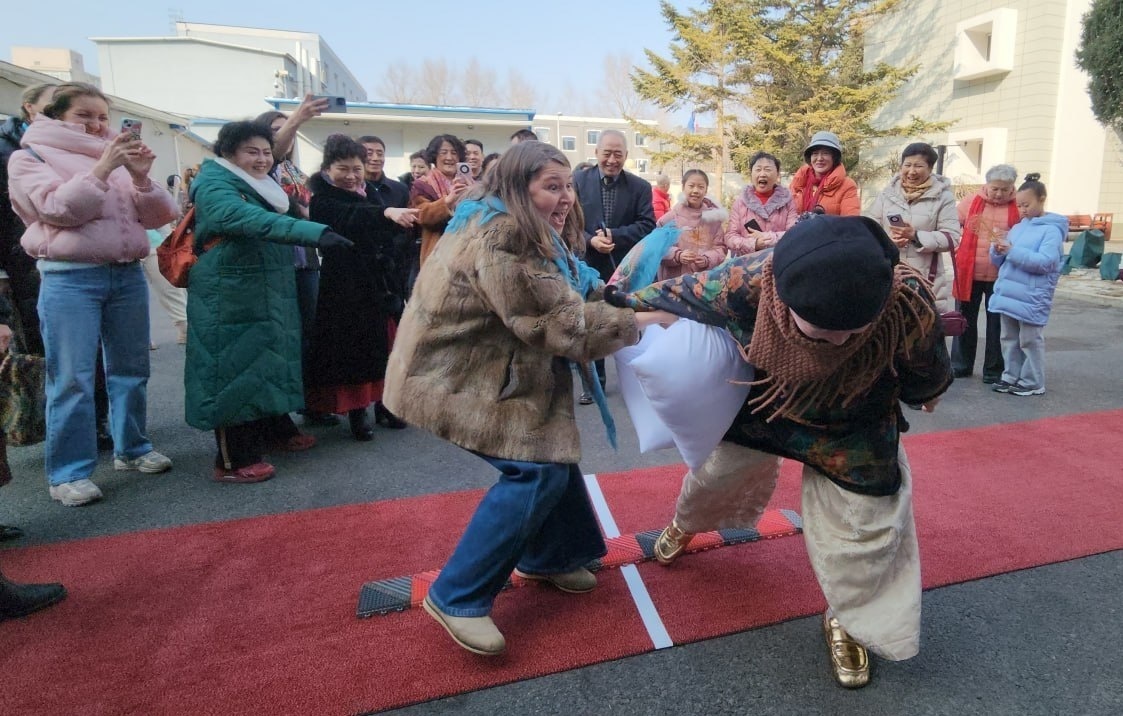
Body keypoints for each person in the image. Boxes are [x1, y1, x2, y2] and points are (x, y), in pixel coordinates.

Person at [607, 215, 952, 689]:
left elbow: (927, 365)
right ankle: (687, 523)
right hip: (770, 405)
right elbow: (672, 294)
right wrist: (607, 313)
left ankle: (850, 618)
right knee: (717, 476)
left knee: (868, 523)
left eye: (852, 332)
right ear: (783, 295)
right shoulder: (747, 279)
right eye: (821, 331)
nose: (836, 342)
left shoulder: (906, 300)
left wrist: (928, 390)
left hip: (856, 419)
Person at [383, 140, 674, 656]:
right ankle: (456, 595)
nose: (565, 198)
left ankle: (554, 557)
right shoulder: (505, 234)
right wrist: (644, 320)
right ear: (518, 188)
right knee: (535, 467)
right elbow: (557, 324)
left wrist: (640, 297)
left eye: (567, 186)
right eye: (550, 187)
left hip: (482, 365)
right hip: (456, 377)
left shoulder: (521, 224)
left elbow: (570, 291)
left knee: (550, 455)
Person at [7, 82, 177, 507]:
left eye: (102, 116)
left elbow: (160, 215)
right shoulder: (29, 157)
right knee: (72, 378)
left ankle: (132, 448)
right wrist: (103, 168)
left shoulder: (117, 156)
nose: (97, 124)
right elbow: (59, 210)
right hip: (69, 277)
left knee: (131, 368)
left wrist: (140, 178)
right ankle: (67, 473)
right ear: (54, 116)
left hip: (126, 273)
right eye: (84, 115)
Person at [184, 120, 352, 484]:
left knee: (268, 357)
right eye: (251, 152)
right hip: (228, 290)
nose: (261, 160)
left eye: (265, 152)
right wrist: (314, 233)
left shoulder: (262, 183)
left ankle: (275, 429)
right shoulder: (214, 183)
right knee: (230, 366)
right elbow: (245, 218)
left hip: (264, 284)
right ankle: (232, 459)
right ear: (228, 152)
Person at [305, 135, 414, 439]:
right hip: (344, 286)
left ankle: (384, 406)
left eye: (357, 168)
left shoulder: (367, 193)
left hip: (378, 283)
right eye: (344, 169)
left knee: (387, 347)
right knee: (353, 351)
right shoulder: (323, 200)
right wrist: (385, 213)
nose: (352, 176)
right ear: (328, 169)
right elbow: (352, 217)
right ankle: (357, 414)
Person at [573, 129, 656, 401]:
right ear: (596, 153)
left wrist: (615, 237)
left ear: (626, 156)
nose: (611, 159)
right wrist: (589, 240)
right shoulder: (577, 181)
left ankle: (638, 380)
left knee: (630, 324)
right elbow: (567, 221)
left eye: (617, 154)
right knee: (589, 325)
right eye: (606, 153)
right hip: (587, 265)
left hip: (625, 267)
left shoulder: (640, 187)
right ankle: (593, 385)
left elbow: (647, 225)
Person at [988, 174, 1066, 397]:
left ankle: (1032, 381)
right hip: (1010, 292)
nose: (1022, 209)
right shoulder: (1019, 227)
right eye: (1019, 205)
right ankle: (1011, 376)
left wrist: (1012, 251)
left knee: (1029, 339)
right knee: (1009, 338)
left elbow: (1046, 262)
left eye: (1026, 204)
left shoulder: (1051, 231)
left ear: (1041, 199)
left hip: (1032, 294)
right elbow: (1000, 261)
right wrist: (998, 249)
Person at [866, 142, 961, 314]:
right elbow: (871, 228)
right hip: (890, 274)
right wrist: (888, 242)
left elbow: (952, 237)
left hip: (925, 278)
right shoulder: (887, 194)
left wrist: (915, 235)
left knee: (922, 331)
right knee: (891, 329)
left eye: (918, 166)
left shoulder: (943, 197)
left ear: (930, 168)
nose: (911, 171)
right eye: (907, 165)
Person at [950, 164, 1020, 382]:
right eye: (995, 188)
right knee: (964, 321)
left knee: (998, 325)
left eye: (1004, 189)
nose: (999, 194)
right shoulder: (970, 202)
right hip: (969, 272)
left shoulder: (1019, 206)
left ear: (1012, 189)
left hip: (1002, 275)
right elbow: (951, 226)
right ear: (986, 185)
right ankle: (960, 365)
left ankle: (994, 369)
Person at [0, 83, 55, 356]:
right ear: (29, 108)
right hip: (23, 261)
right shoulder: (6, 149)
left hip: (67, 257)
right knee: (40, 350)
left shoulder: (72, 147)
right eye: (51, 104)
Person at [652, 169, 727, 280]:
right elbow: (656, 247)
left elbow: (721, 248)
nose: (695, 191)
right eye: (691, 186)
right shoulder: (669, 219)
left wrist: (707, 259)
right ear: (683, 188)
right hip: (672, 283)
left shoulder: (713, 221)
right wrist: (677, 255)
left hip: (703, 283)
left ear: (706, 190)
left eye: (701, 187)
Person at [410, 134, 471, 267]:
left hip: (467, 252)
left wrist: (474, 191)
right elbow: (421, 215)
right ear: (434, 157)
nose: (449, 157)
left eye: (454, 153)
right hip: (437, 254)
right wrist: (447, 201)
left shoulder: (469, 182)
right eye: (443, 152)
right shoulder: (423, 184)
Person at [725, 151, 798, 255]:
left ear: (777, 174)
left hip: (778, 260)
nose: (762, 174)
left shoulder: (788, 201)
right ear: (751, 173)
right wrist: (754, 244)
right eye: (758, 169)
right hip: (746, 264)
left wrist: (768, 238)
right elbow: (730, 237)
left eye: (768, 169)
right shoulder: (740, 202)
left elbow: (794, 234)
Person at [789, 131, 860, 216]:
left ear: (834, 157)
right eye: (815, 154)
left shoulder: (847, 185)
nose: (819, 158)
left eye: (825, 153)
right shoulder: (798, 182)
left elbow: (850, 221)